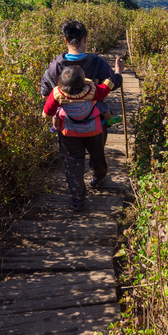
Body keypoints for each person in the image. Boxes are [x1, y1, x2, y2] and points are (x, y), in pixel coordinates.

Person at [39, 21, 124, 208]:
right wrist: (118, 72)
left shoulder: (54, 67)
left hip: (67, 127)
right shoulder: (97, 62)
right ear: (85, 38)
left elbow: (45, 93)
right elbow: (112, 83)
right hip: (96, 123)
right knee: (97, 154)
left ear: (65, 40)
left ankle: (77, 198)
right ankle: (99, 177)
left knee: (72, 162)